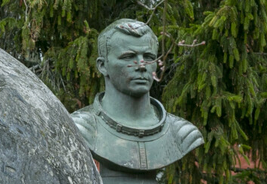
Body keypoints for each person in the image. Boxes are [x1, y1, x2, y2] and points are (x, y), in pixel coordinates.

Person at [70, 19, 202, 174]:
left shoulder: (181, 134)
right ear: (103, 66)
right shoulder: (80, 129)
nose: (141, 65)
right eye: (128, 56)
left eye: (148, 56)